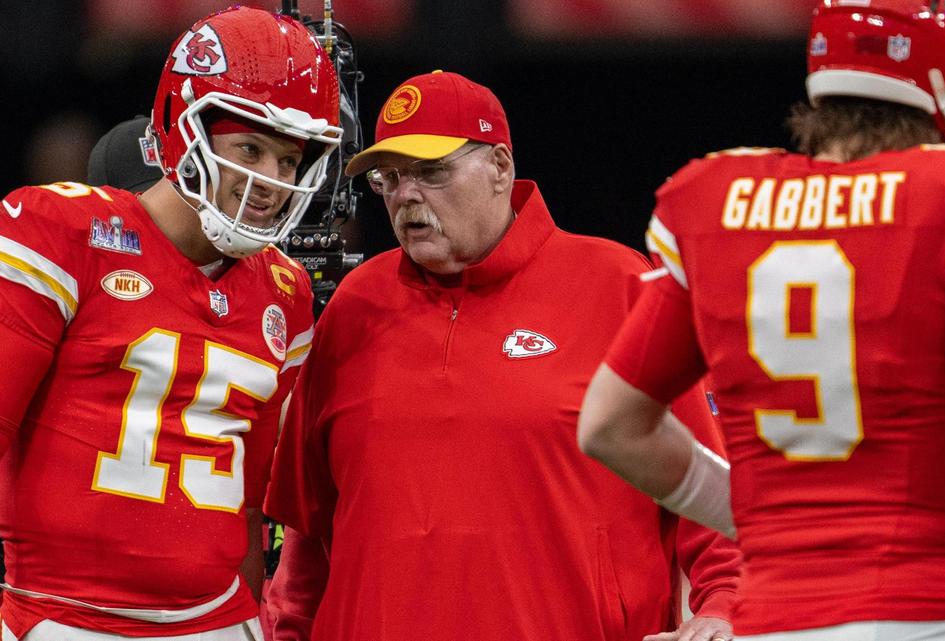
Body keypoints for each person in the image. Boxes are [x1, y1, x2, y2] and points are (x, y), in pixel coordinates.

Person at [264, 70, 740, 641]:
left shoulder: (618, 285)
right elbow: (307, 538)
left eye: (432, 172)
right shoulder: (354, 306)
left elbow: (714, 497)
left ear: (500, 168)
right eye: (389, 178)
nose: (406, 195)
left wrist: (723, 608)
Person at [0, 6, 342, 641]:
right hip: (65, 619)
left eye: (289, 160)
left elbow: (251, 508)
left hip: (217, 623)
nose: (270, 181)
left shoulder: (282, 291)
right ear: (183, 128)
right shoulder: (69, 236)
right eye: (251, 148)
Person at [577, 1, 945, 640]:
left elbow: (611, 427)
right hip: (935, 609)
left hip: (776, 619)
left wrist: (767, 519)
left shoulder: (719, 199)